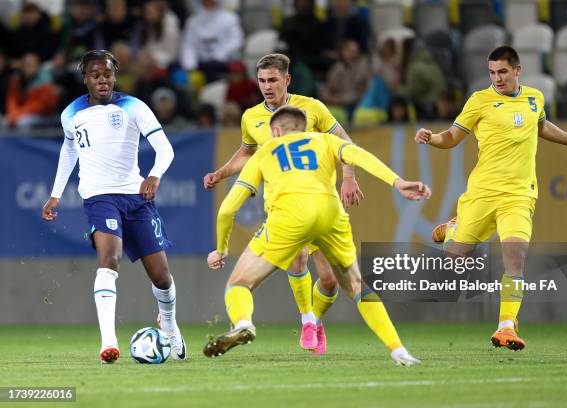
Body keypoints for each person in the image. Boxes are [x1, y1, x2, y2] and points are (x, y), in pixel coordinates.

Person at [204, 106, 431, 366]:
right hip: (330, 214)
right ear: (303, 128)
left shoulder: (265, 151)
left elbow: (227, 210)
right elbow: (358, 154)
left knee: (239, 284)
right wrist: (398, 182)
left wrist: (220, 249)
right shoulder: (325, 139)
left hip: (289, 217)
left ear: (276, 131)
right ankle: (398, 350)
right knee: (357, 286)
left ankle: (244, 323)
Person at [415, 46, 567, 350]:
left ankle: (506, 327)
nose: (497, 78)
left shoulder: (534, 98)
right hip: (483, 192)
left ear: (517, 70)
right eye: (492, 72)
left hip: (519, 194)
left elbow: (541, 126)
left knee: (515, 257)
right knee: (453, 258)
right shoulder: (479, 101)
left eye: (502, 71)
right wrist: (432, 138)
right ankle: (453, 227)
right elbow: (452, 136)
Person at [203, 53, 363, 355]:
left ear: (286, 80)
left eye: (273, 80)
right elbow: (247, 153)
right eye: (262, 80)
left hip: (322, 201)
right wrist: (221, 173)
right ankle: (305, 320)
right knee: (297, 258)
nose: (267, 86)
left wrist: (349, 178)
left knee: (329, 281)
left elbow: (346, 144)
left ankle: (315, 319)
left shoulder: (312, 108)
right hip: (282, 205)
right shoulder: (251, 117)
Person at [41, 50, 187, 363]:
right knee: (110, 258)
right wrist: (55, 194)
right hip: (98, 197)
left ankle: (170, 324)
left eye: (107, 74)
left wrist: (154, 176)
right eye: (96, 75)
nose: (102, 80)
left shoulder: (134, 106)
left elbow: (165, 149)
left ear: (114, 76)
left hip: (136, 197)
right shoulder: (71, 114)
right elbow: (69, 151)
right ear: (86, 79)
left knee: (161, 276)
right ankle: (109, 341)